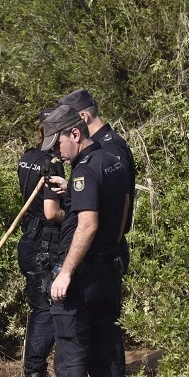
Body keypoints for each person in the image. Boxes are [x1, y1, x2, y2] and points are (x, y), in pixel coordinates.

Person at [38, 105, 130, 377]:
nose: (56, 151)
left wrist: (65, 272)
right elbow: (120, 209)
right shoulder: (114, 157)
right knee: (107, 352)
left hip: (81, 274)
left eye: (58, 142)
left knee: (71, 351)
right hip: (109, 270)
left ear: (75, 133)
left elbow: (88, 223)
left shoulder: (85, 170)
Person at [15, 108, 65, 377]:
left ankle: (34, 372)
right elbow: (51, 211)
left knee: (40, 308)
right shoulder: (51, 164)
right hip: (44, 246)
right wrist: (75, 213)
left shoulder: (28, 157)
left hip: (29, 240)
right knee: (46, 308)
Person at [57, 89, 135, 274]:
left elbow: (121, 198)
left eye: (69, 118)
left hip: (105, 251)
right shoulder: (96, 147)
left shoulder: (110, 147)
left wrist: (112, 247)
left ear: (83, 117)